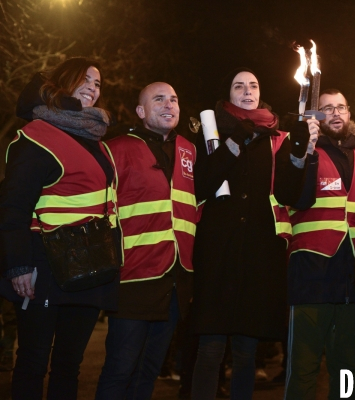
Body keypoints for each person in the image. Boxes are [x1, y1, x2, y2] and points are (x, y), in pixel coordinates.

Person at [0, 57, 119, 400]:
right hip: (43, 268)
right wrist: (18, 265)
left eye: (98, 83)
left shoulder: (97, 139)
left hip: (89, 268)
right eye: (85, 79)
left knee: (69, 365)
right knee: (33, 362)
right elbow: (12, 208)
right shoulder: (36, 137)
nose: (93, 87)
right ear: (63, 82)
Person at [191, 68, 312, 399]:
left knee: (246, 353)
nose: (247, 91)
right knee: (210, 351)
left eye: (253, 85)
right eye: (238, 86)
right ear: (228, 94)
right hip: (217, 253)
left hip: (259, 256)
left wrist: (300, 153)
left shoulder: (277, 138)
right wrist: (234, 142)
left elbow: (288, 193)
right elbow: (202, 183)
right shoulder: (209, 129)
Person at [95, 82, 197, 399]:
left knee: (148, 374)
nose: (169, 104)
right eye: (159, 99)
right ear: (141, 112)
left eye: (174, 99)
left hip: (176, 282)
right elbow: (103, 209)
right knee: (119, 370)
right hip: (133, 278)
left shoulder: (190, 150)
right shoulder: (115, 148)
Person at [284, 89, 355, 400]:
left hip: (353, 277)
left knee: (350, 371)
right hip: (311, 273)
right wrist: (301, 154)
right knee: (303, 368)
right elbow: (291, 197)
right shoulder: (298, 152)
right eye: (326, 109)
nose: (335, 113)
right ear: (314, 117)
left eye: (341, 107)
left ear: (349, 113)